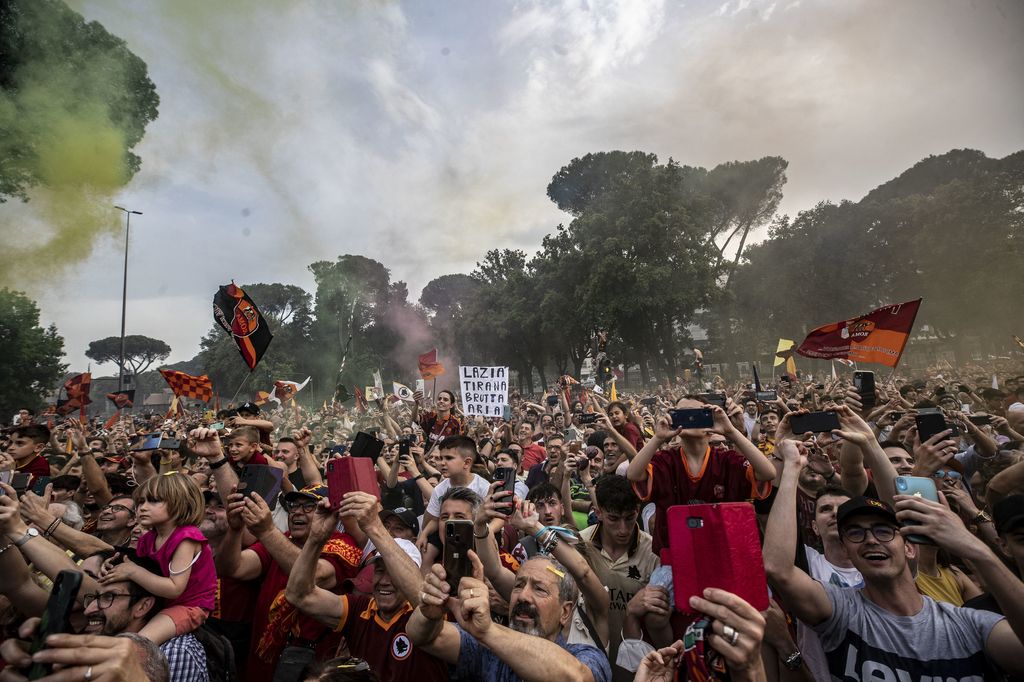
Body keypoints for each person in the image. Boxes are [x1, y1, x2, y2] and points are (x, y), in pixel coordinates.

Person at [765, 491, 1024, 678]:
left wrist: (980, 552)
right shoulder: (841, 611)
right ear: (848, 551)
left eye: (883, 530)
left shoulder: (970, 624)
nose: (870, 540)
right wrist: (792, 465)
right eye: (856, 533)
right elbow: (777, 568)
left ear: (910, 548)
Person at [285, 492, 448, 682]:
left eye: (393, 573)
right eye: (379, 570)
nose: (384, 581)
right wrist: (316, 539)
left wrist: (374, 527)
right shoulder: (359, 610)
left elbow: (427, 607)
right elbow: (299, 595)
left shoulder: (429, 615)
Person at [215, 484, 362, 682]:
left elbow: (315, 575)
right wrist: (235, 530)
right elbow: (232, 568)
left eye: (309, 506)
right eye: (294, 505)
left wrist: (267, 531)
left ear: (326, 513)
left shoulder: (342, 543)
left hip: (306, 668)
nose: (297, 512)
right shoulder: (282, 540)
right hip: (262, 664)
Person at [408, 549, 612, 682]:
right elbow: (423, 637)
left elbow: (575, 678)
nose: (523, 596)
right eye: (519, 585)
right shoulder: (488, 651)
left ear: (565, 612)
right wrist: (429, 611)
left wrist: (488, 630)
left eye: (539, 589)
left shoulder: (588, 657)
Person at [627, 399, 775, 553]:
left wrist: (732, 432)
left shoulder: (726, 460)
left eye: (694, 414)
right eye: (680, 414)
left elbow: (768, 473)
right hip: (676, 555)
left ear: (709, 423)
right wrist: (658, 438)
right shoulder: (666, 460)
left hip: (721, 552)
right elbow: (634, 474)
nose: (687, 419)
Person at [99, 472, 217, 646]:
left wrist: (132, 571)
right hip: (159, 600)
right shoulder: (148, 538)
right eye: (140, 502)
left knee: (137, 643)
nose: (143, 508)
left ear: (181, 502)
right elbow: (137, 566)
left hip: (189, 606)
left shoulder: (186, 538)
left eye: (153, 501)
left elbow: (174, 588)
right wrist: (114, 566)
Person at [579, 475, 659, 681]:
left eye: (629, 518)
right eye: (613, 519)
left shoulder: (652, 552)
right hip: (588, 663)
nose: (623, 529)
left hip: (635, 669)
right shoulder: (581, 545)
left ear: (638, 512)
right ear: (598, 513)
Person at [416, 435, 492, 554]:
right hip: (447, 537)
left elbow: (495, 518)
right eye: (441, 458)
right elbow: (435, 519)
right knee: (428, 551)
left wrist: (483, 533)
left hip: (476, 536)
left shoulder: (483, 486)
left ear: (466, 463)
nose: (442, 463)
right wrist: (424, 534)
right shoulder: (440, 489)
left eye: (449, 458)